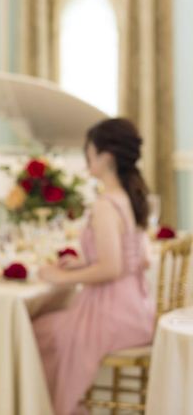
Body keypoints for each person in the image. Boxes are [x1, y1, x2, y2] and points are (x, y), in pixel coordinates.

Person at [33, 118, 155, 415]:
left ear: (105, 157)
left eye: (89, 151)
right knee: (47, 326)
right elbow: (140, 259)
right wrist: (83, 263)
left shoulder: (106, 204)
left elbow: (111, 268)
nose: (87, 157)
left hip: (113, 313)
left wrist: (60, 277)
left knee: (35, 332)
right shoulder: (130, 198)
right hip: (137, 309)